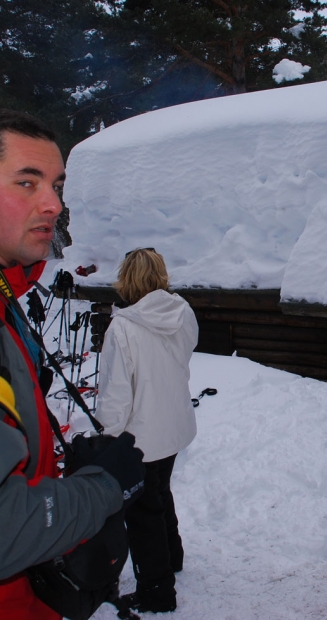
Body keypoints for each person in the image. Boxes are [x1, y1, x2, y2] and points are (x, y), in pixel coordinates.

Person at [0, 109, 145, 620]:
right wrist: (102, 486)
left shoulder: (7, 301)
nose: (54, 203)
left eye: (57, 184)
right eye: (27, 181)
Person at [96, 248, 199, 614]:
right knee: (159, 492)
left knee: (142, 513)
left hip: (140, 436)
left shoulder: (123, 328)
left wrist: (107, 437)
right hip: (172, 425)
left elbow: (115, 394)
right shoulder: (182, 313)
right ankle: (172, 558)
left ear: (127, 277)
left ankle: (157, 591)